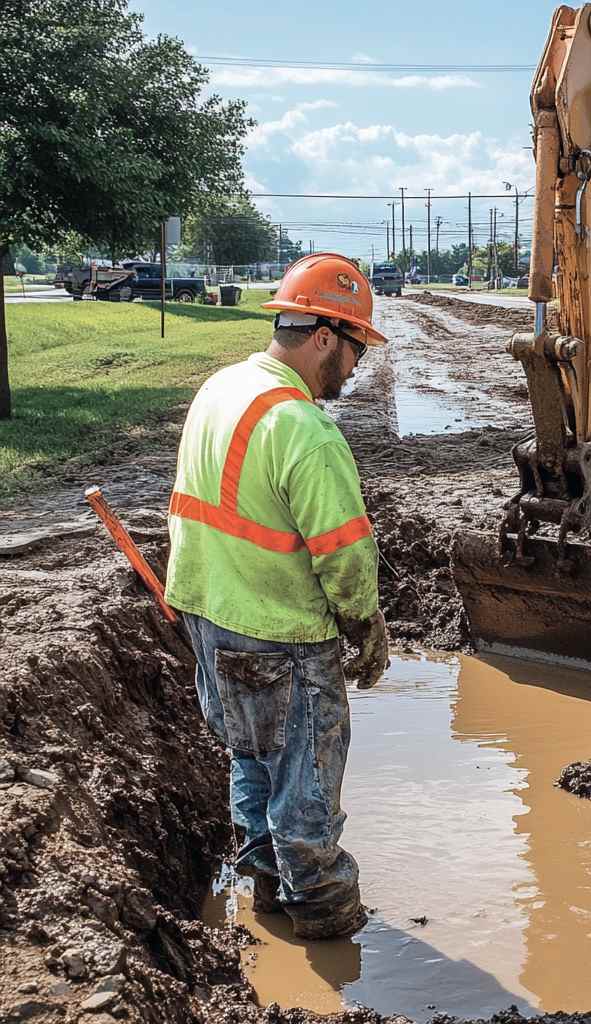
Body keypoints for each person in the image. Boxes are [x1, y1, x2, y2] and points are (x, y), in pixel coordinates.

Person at [164, 252, 389, 940]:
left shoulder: (220, 387)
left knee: (251, 759)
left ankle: (265, 892)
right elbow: (345, 556)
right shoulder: (304, 428)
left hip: (207, 616)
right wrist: (366, 626)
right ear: (325, 335)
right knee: (306, 784)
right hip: (279, 633)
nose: (353, 370)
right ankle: (323, 918)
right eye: (353, 351)